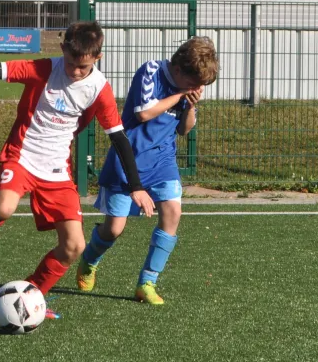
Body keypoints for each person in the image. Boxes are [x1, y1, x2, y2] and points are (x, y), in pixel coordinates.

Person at [0, 21, 155, 319]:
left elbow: (119, 138)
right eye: (72, 62)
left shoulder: (100, 89)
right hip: (22, 157)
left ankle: (31, 296)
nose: (76, 71)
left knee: (74, 246)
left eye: (83, 66)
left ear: (97, 58)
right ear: (63, 49)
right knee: (3, 209)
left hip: (57, 170)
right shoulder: (43, 69)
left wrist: (136, 186)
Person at [76, 36, 219, 305]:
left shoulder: (185, 92)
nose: (196, 88)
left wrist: (190, 105)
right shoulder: (152, 70)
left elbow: (183, 129)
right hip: (128, 159)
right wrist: (178, 96)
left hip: (163, 160)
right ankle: (90, 259)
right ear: (178, 70)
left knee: (173, 212)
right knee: (114, 230)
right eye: (193, 83)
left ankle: (147, 282)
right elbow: (142, 113)